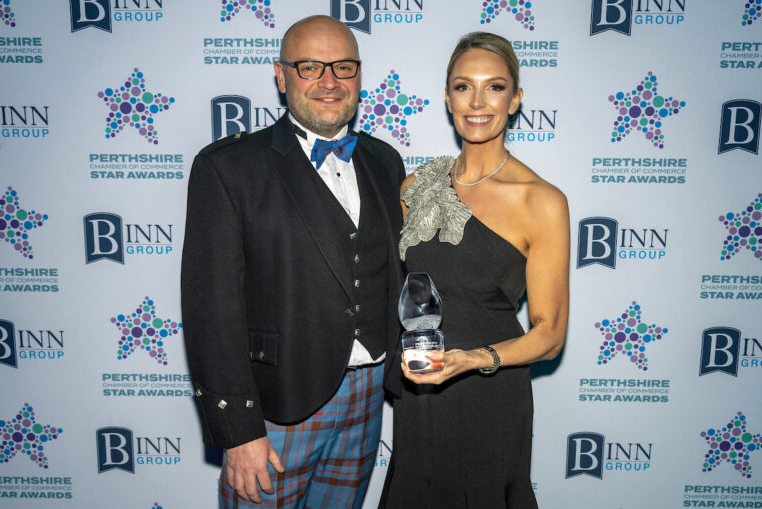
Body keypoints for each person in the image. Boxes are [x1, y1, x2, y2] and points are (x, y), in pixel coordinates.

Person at [181, 15, 406, 508]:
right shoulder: (228, 167)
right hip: (276, 408)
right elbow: (210, 312)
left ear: (360, 76)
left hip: (368, 395)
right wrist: (238, 431)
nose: (329, 81)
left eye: (343, 67)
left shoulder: (385, 161)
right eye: (309, 66)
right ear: (281, 76)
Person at [380, 32, 569, 508]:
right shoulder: (416, 187)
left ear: (516, 98)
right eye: (464, 87)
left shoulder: (540, 201)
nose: (478, 102)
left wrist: (473, 359)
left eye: (495, 87)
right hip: (420, 390)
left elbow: (549, 334)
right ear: (447, 98)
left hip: (489, 391)